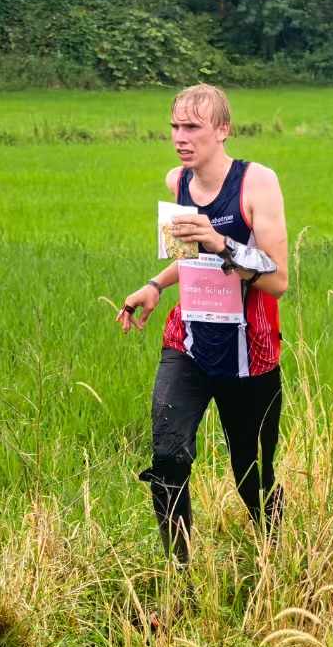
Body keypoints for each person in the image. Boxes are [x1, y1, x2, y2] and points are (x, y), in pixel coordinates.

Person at [116, 84, 289, 565]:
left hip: (249, 350)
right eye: (174, 126)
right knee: (168, 458)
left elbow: (278, 280)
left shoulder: (257, 183)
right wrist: (155, 284)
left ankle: (276, 561)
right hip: (188, 339)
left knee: (251, 474)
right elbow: (186, 259)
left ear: (223, 130)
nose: (180, 137)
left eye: (192, 127)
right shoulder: (178, 182)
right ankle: (179, 575)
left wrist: (221, 242)